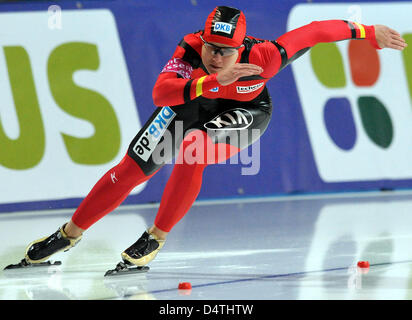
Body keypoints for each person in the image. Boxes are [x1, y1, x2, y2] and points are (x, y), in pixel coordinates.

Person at [22, 6, 407, 269]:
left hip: (246, 113)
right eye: (211, 47)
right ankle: (68, 234)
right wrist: (209, 80)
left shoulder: (267, 56)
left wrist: (368, 32)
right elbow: (160, 93)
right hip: (191, 101)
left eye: (225, 52)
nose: (216, 56)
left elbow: (317, 32)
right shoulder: (190, 50)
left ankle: (155, 238)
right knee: (131, 171)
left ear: (241, 47)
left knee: (192, 149)